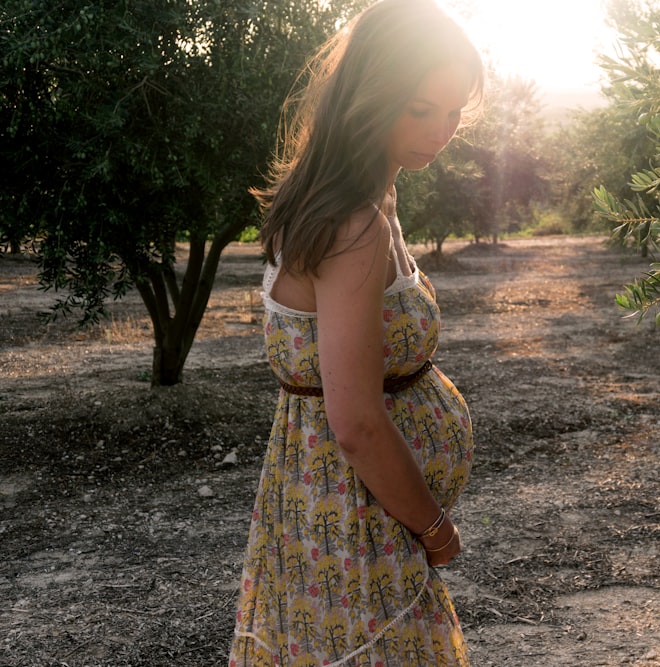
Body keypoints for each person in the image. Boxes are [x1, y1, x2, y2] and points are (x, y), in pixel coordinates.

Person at [228, 1, 484, 665]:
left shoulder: (365, 201)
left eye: (454, 112)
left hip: (345, 513)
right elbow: (357, 423)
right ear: (371, 94)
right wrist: (433, 525)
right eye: (421, 108)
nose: (441, 130)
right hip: (351, 521)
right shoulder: (354, 226)